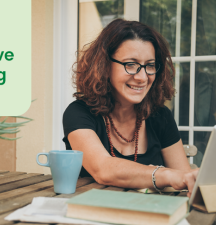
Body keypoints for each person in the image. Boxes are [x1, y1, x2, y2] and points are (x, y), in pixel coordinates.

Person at [63, 19, 198, 197]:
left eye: (150, 65)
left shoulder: (161, 116)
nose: (142, 77)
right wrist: (164, 174)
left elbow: (185, 179)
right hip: (92, 217)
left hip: (150, 217)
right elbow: (103, 169)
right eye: (131, 64)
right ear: (104, 65)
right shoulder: (78, 113)